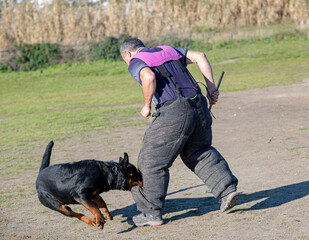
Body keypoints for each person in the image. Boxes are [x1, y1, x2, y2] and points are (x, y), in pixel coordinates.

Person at [120, 37, 239, 227]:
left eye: (125, 60)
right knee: (199, 152)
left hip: (174, 110)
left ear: (127, 53)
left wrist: (146, 105)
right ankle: (227, 191)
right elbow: (200, 56)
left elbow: (148, 77)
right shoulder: (167, 49)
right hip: (199, 105)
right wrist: (211, 89)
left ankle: (150, 213)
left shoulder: (136, 61)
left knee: (150, 161)